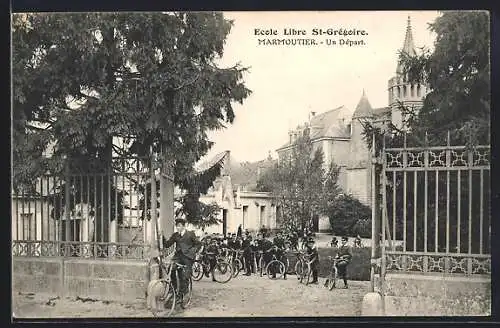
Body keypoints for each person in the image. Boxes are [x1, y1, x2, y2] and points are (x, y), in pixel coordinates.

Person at [162, 218, 202, 302]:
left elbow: (198, 244)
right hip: (178, 257)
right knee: (171, 269)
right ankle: (174, 288)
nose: (178, 228)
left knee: (184, 276)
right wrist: (162, 237)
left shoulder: (190, 234)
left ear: (184, 226)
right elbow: (167, 244)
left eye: (179, 226)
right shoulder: (175, 235)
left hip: (188, 258)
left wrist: (193, 251)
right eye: (177, 226)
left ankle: (182, 294)